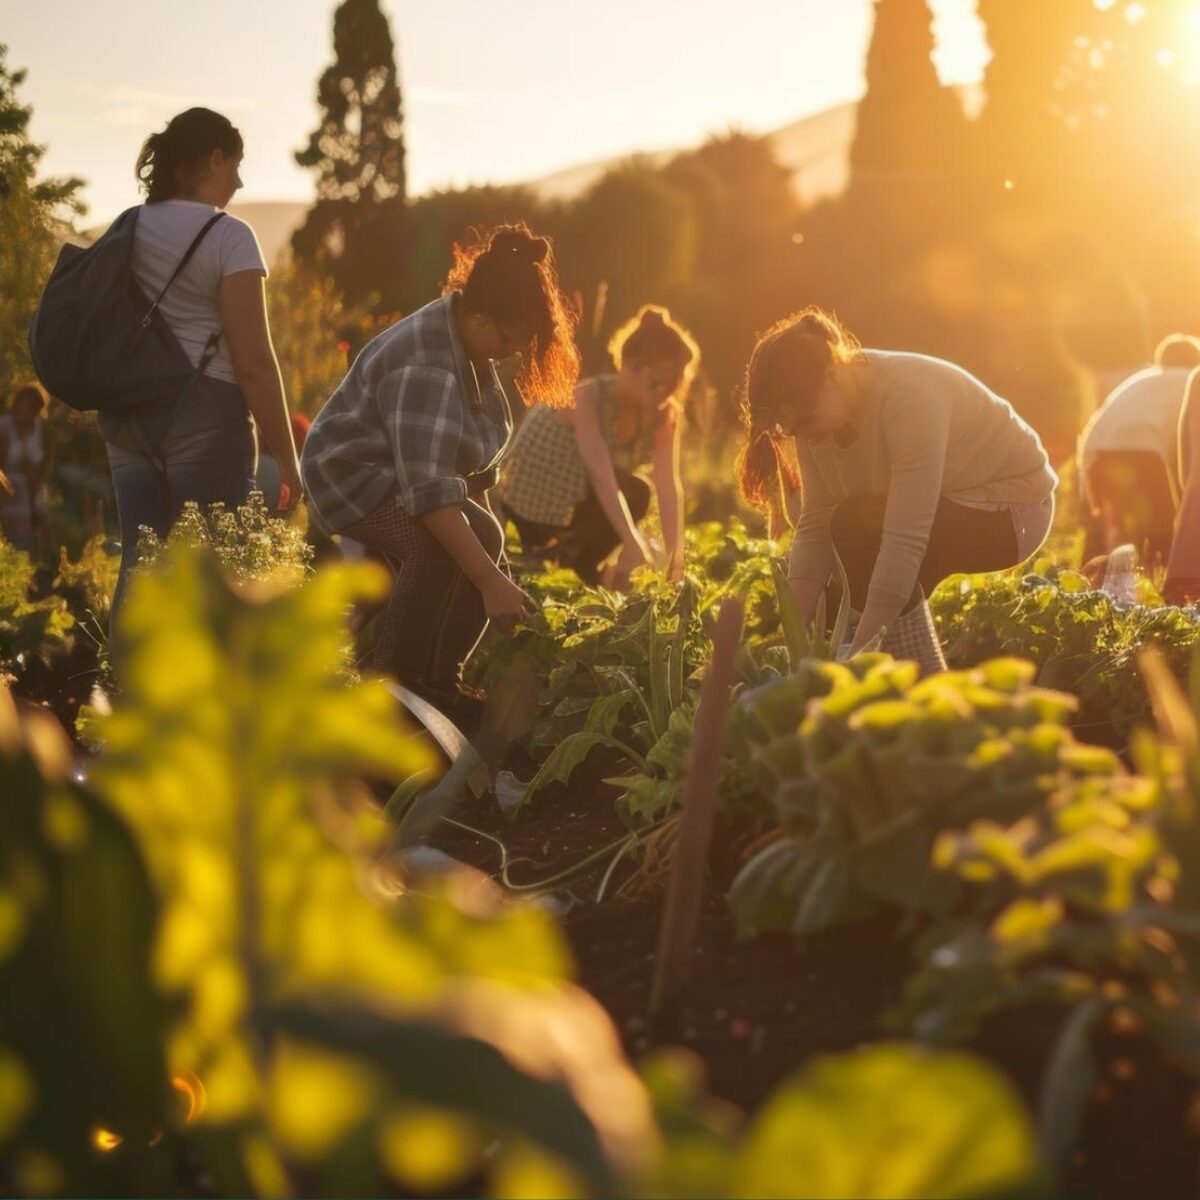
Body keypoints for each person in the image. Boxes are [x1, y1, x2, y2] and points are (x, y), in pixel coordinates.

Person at [300, 222, 579, 717]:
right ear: (482, 317)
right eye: (510, 340)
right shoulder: (427, 363)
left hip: (393, 472)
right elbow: (428, 494)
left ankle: (437, 681)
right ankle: (389, 684)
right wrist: (488, 582)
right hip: (348, 476)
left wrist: (494, 565)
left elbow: (468, 474)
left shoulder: (467, 345)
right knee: (428, 547)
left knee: (482, 539)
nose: (512, 353)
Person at [739, 308, 1058, 675]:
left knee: (858, 535)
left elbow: (905, 537)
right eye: (789, 429)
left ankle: (920, 677)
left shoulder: (908, 398)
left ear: (832, 376)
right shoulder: (814, 421)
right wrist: (791, 639)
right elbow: (815, 526)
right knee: (839, 590)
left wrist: (862, 653)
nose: (803, 437)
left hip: (1012, 511)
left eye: (805, 420)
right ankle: (910, 676)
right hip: (941, 508)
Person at [104, 107, 301, 622]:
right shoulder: (229, 236)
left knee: (139, 567)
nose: (239, 181)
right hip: (206, 414)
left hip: (128, 417)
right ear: (214, 160)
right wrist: (287, 456)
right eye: (235, 165)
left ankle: (123, 672)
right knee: (215, 575)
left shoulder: (127, 227)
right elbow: (254, 361)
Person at [498, 305, 698, 586]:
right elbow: (601, 475)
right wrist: (633, 543)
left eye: (671, 387)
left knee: (637, 491)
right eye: (657, 384)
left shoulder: (662, 415)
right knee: (628, 493)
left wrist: (675, 563)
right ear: (630, 367)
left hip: (575, 511)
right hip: (529, 516)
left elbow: (668, 488)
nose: (663, 396)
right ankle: (565, 568)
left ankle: (583, 571)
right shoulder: (587, 398)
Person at [1077, 334, 1200, 567]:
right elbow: (1187, 449)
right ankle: (1161, 577)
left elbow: (1094, 428)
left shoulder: (1139, 380)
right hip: (1143, 457)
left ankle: (1085, 581)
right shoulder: (1191, 382)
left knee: (1108, 534)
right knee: (1161, 530)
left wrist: (1087, 491)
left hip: (1099, 456)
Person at [0, 383, 53, 555]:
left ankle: (44, 561)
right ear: (18, 404)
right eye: (28, 408)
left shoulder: (42, 429)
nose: (30, 414)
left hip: (35, 488)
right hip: (8, 490)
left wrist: (33, 486)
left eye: (35, 410)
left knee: (42, 526)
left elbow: (45, 462)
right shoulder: (4, 428)